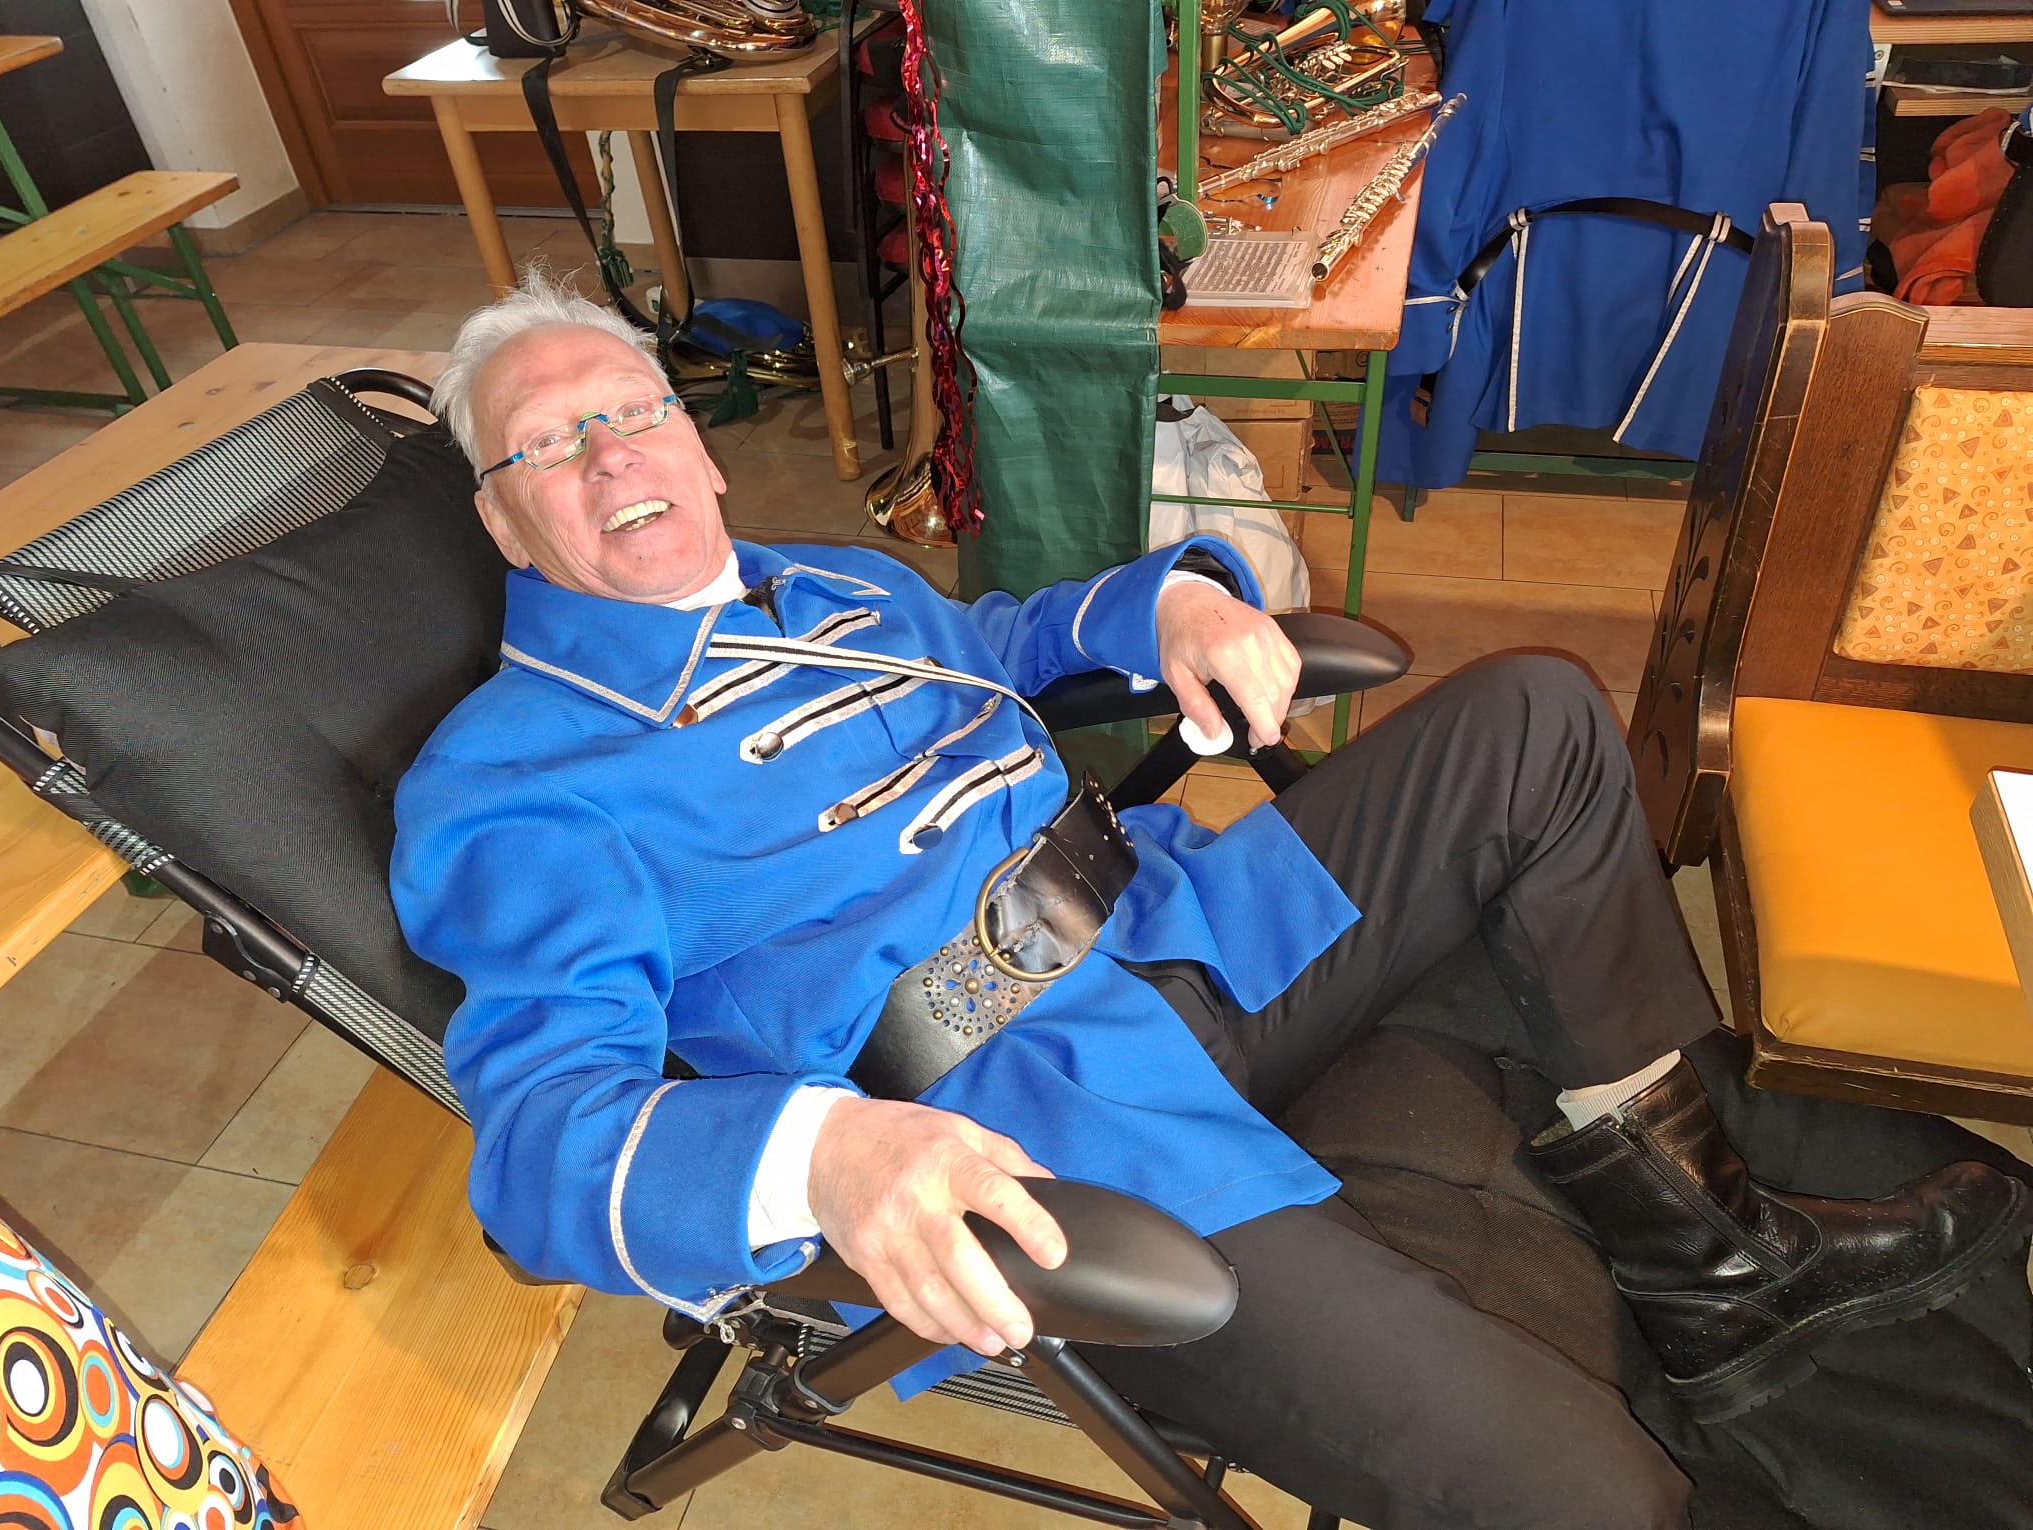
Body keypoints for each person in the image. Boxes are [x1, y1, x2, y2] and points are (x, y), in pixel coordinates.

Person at [389, 278, 2030, 1530]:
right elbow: (537, 1143)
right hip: (1040, 1121)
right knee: (1587, 1490)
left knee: (1533, 718)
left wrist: (1166, 604)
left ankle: (1714, 1253)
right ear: (498, 515)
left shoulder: (837, 583)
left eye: (635, 409)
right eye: (549, 442)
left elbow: (1011, 640)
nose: (612, 454)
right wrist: (820, 1153)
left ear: (694, 440)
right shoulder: (513, 781)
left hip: (1185, 927)